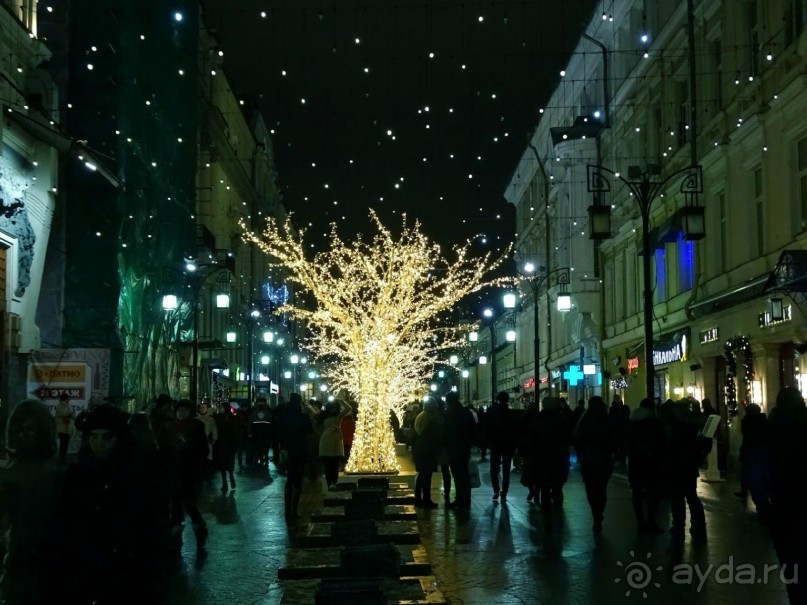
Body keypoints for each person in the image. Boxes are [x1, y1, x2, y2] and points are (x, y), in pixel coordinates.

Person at [63, 404, 167, 604]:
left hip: (127, 567)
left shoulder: (137, 472)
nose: (99, 443)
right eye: (94, 437)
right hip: (88, 565)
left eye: (106, 437)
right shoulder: (78, 474)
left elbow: (149, 523)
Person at [0, 400, 66, 605]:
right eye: (21, 428)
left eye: (31, 428)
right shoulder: (9, 472)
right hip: (19, 560)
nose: (24, 433)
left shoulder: (56, 473)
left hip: (48, 558)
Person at [766, 387, 807, 604]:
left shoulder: (772, 424)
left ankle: (795, 593)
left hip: (782, 497)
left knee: (789, 554)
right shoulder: (804, 421)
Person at [159, 399, 209, 553]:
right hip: (173, 472)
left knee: (190, 505)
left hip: (190, 472)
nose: (182, 413)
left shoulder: (196, 426)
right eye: (179, 410)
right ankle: (176, 539)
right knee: (175, 507)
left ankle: (200, 533)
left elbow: (203, 448)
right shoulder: (168, 426)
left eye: (185, 410)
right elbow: (163, 448)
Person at [662, 399, 707, 539]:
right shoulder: (694, 423)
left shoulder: (675, 425)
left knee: (677, 498)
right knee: (691, 496)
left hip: (676, 463)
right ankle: (699, 525)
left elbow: (669, 444)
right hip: (689, 463)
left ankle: (679, 525)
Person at [574, 395, 616, 533]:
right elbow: (613, 439)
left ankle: (595, 513)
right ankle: (599, 512)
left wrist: (580, 455)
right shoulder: (607, 419)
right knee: (602, 488)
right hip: (604, 459)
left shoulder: (585, 419)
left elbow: (578, 439)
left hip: (589, 459)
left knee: (591, 488)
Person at [627, 398, 664, 533]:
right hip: (651, 462)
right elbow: (661, 442)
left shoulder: (632, 422)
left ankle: (640, 522)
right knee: (653, 492)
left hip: (635, 462)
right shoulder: (654, 423)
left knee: (636, 491)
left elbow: (627, 441)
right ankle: (651, 521)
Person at [277, 393, 313, 520]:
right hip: (300, 451)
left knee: (289, 481)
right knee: (298, 481)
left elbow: (279, 432)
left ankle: (287, 510)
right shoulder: (302, 417)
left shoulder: (284, 416)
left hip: (288, 451)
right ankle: (294, 510)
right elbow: (310, 430)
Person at [532, 397, 572, 510]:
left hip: (543, 456)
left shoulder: (539, 418)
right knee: (557, 485)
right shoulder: (561, 418)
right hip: (559, 456)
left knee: (544, 485)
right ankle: (558, 506)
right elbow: (567, 437)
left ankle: (546, 507)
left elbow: (533, 438)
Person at [736, 403, 771, 517]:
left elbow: (746, 435)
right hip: (761, 453)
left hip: (750, 452)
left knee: (751, 477)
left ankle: (761, 505)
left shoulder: (747, 422)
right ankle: (763, 504)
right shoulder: (764, 421)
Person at [443, 392, 476, 510]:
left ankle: (459, 499)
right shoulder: (466, 413)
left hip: (453, 448)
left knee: (457, 475)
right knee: (465, 475)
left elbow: (445, 433)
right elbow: (473, 430)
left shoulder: (449, 414)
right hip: (464, 448)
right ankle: (466, 499)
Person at [413, 397, 442, 508]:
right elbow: (436, 434)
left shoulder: (420, 416)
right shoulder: (432, 418)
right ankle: (426, 499)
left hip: (420, 447)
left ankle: (418, 497)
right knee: (427, 475)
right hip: (428, 449)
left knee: (422, 474)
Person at [318, 398, 351, 489]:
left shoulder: (338, 415)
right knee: (329, 465)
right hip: (328, 440)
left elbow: (348, 408)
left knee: (334, 464)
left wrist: (341, 400)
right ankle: (331, 484)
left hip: (334, 440)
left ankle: (333, 483)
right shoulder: (325, 415)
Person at [488, 391, 514, 501]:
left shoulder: (492, 412)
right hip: (507, 444)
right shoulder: (510, 413)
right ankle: (504, 492)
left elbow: (487, 428)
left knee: (494, 468)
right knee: (506, 469)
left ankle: (496, 490)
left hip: (495, 443)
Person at [214, 404, 238, 493]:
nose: (220, 409)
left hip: (229, 444)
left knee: (229, 464)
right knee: (222, 464)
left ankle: (231, 477)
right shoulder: (217, 418)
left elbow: (234, 432)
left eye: (221, 408)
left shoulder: (231, 419)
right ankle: (224, 481)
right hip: (220, 444)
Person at [53, 392, 75, 463]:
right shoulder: (60, 405)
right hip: (62, 429)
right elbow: (65, 413)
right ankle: (61, 459)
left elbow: (72, 415)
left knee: (65, 444)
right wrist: (70, 411)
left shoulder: (68, 405)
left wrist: (71, 413)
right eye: (68, 398)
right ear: (66, 398)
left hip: (67, 429)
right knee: (63, 444)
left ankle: (63, 458)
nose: (69, 399)